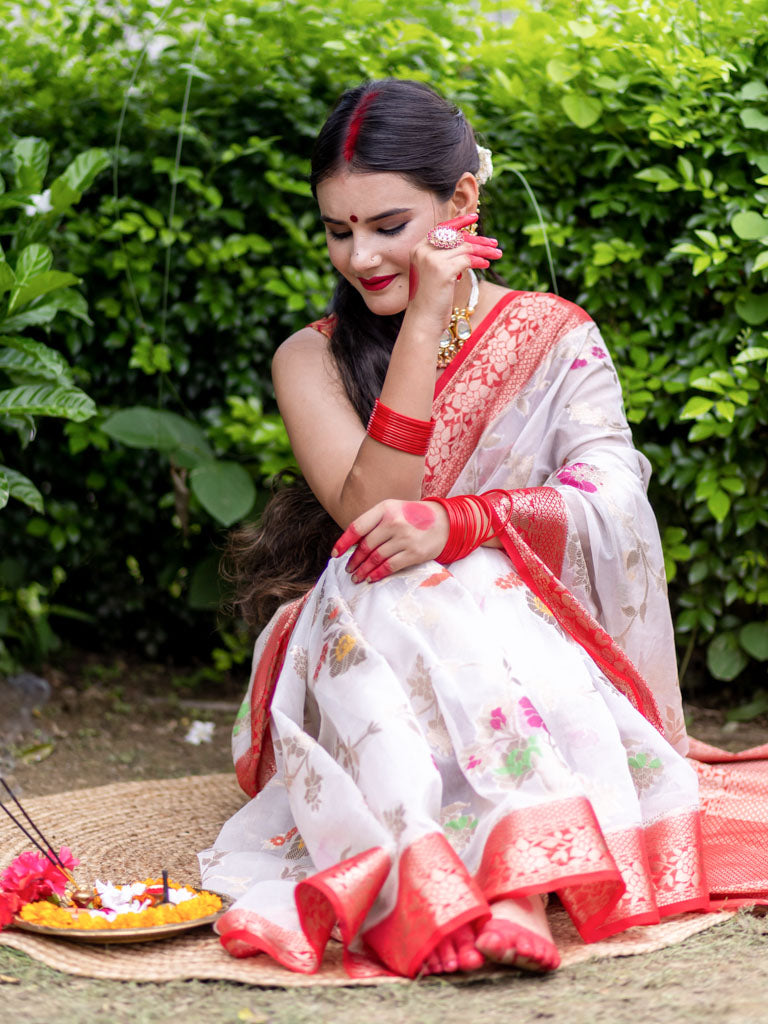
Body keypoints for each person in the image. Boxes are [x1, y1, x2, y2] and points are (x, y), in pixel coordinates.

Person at [199, 78, 711, 979]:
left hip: (527, 641)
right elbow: (368, 514)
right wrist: (426, 313)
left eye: (387, 224)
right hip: (358, 641)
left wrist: (467, 522)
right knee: (393, 572)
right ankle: (506, 882)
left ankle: (509, 885)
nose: (359, 256)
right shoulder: (309, 358)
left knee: (473, 578)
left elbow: (612, 495)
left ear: (462, 201)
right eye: (337, 229)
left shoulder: (555, 337)